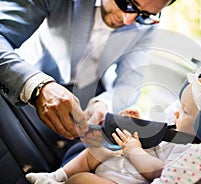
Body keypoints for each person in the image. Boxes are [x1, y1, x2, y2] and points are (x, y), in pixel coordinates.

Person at [25, 72, 201, 184]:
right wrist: (139, 122)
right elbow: (157, 136)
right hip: (120, 162)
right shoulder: (178, 128)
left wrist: (135, 151)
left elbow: (157, 173)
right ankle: (56, 175)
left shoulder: (191, 153)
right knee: (94, 152)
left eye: (184, 111)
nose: (176, 112)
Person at [0, 0, 176, 140]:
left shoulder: (147, 27)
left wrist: (104, 103)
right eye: (127, 3)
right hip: (29, 80)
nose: (127, 20)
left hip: (88, 95)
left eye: (144, 15)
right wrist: (38, 86)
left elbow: (130, 83)